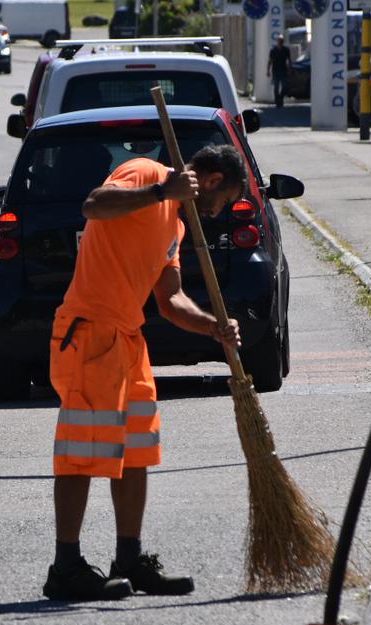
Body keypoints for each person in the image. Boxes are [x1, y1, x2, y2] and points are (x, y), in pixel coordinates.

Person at [43, 145, 246, 601]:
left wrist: (212, 326)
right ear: (211, 181)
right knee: (82, 450)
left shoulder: (174, 221)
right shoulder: (146, 173)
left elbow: (170, 300)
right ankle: (66, 567)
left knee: (136, 452)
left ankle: (129, 558)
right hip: (90, 331)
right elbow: (93, 205)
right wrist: (159, 190)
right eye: (225, 199)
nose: (219, 211)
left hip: (128, 340)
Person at [267, 34, 291, 108]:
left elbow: (289, 60)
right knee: (276, 87)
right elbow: (270, 61)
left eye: (282, 41)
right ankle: (278, 102)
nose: (280, 42)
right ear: (277, 41)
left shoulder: (286, 50)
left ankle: (280, 98)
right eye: (279, 40)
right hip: (275, 71)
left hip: (283, 70)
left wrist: (290, 69)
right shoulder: (273, 50)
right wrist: (268, 70)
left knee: (285, 87)